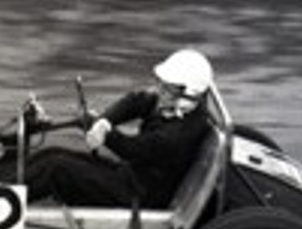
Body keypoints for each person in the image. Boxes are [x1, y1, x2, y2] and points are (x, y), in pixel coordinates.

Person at [15, 49, 215, 208]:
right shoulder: (176, 104)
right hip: (132, 177)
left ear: (187, 93)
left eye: (167, 87)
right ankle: (4, 186)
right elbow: (137, 100)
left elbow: (132, 149)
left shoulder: (178, 134)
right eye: (160, 84)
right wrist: (105, 121)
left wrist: (103, 132)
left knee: (56, 168)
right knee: (53, 153)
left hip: (137, 197)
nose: (159, 90)